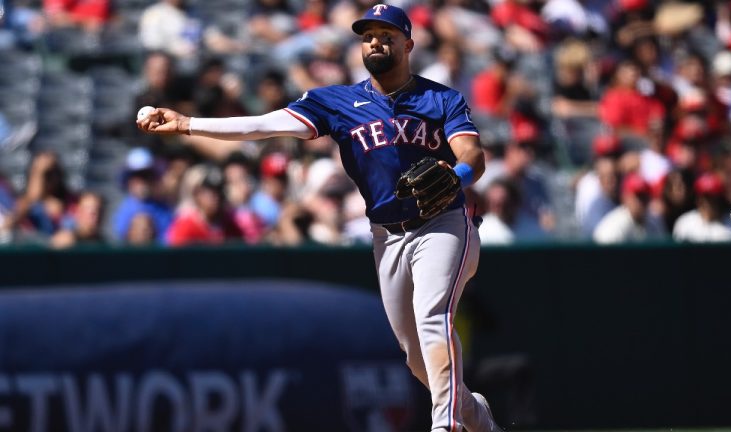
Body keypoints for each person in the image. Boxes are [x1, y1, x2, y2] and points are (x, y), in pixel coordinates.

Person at [137, 4, 502, 431]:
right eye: (368, 35)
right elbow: (261, 126)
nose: (376, 42)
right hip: (387, 235)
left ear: (408, 44)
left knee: (431, 317)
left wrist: (456, 175)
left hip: (443, 223)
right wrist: (188, 124)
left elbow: (473, 157)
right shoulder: (338, 102)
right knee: (415, 356)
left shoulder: (441, 98)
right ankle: (476, 417)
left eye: (386, 34)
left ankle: (447, 426)